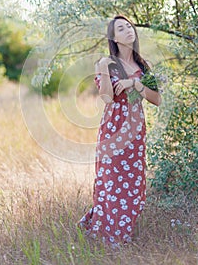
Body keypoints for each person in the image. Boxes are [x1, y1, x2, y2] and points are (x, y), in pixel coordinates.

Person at [77, 15, 161, 247]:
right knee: (110, 181)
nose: (128, 30)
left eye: (129, 26)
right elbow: (106, 97)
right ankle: (107, 236)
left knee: (133, 183)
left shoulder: (143, 66)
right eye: (121, 28)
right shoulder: (106, 63)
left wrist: (134, 83)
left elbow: (156, 99)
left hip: (135, 132)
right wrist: (104, 67)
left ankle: (121, 233)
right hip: (113, 130)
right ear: (113, 37)